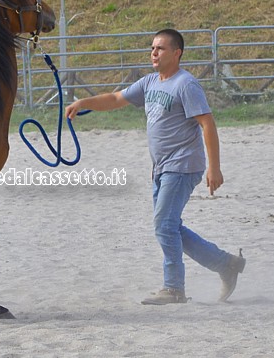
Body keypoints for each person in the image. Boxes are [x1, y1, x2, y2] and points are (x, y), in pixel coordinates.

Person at [65, 29, 247, 305]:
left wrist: (215, 168)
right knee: (170, 227)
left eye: (160, 48)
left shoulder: (185, 84)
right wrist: (83, 103)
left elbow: (207, 123)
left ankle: (174, 288)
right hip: (161, 168)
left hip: (183, 165)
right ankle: (226, 264)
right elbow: (116, 99)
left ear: (177, 53)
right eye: (152, 48)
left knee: (164, 225)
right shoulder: (150, 82)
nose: (154, 52)